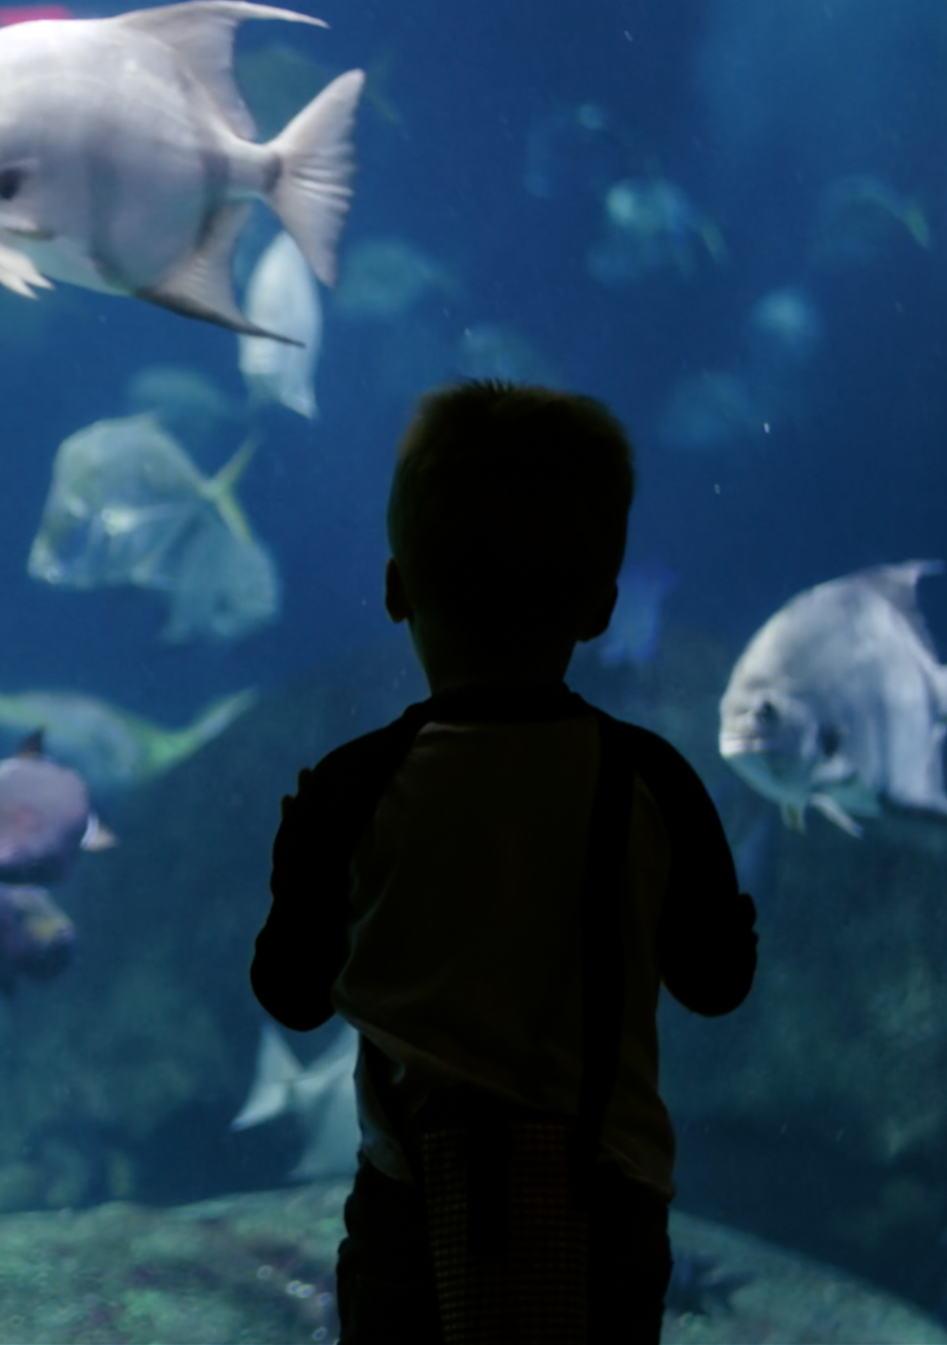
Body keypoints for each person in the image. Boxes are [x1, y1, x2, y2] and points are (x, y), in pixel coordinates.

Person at [250, 380, 758, 1344]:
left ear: (395, 587)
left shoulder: (353, 786)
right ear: (602, 605)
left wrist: (298, 867)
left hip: (410, 1212)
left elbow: (292, 993)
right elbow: (717, 980)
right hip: (603, 1206)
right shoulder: (651, 780)